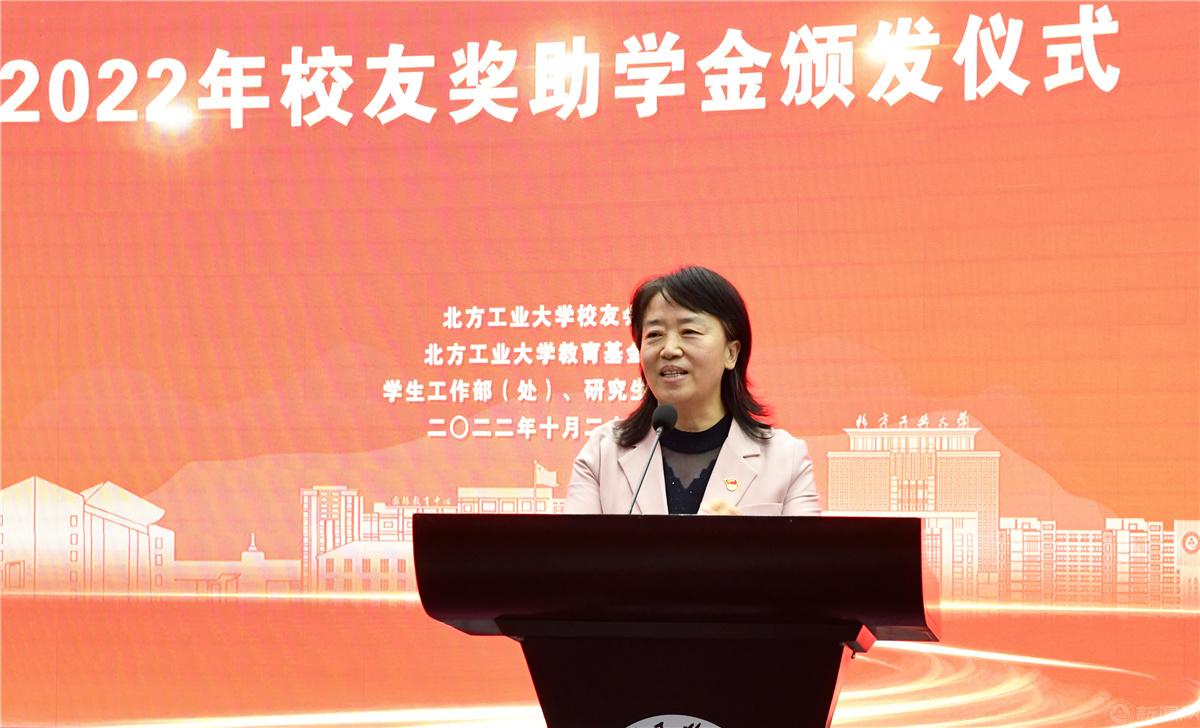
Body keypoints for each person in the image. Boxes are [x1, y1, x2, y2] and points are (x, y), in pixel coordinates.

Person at [565, 266, 821, 516]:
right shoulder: (603, 453)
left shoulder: (785, 459)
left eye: (689, 331)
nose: (669, 350)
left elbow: (806, 547)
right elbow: (574, 545)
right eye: (654, 334)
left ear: (731, 353)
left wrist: (743, 541)